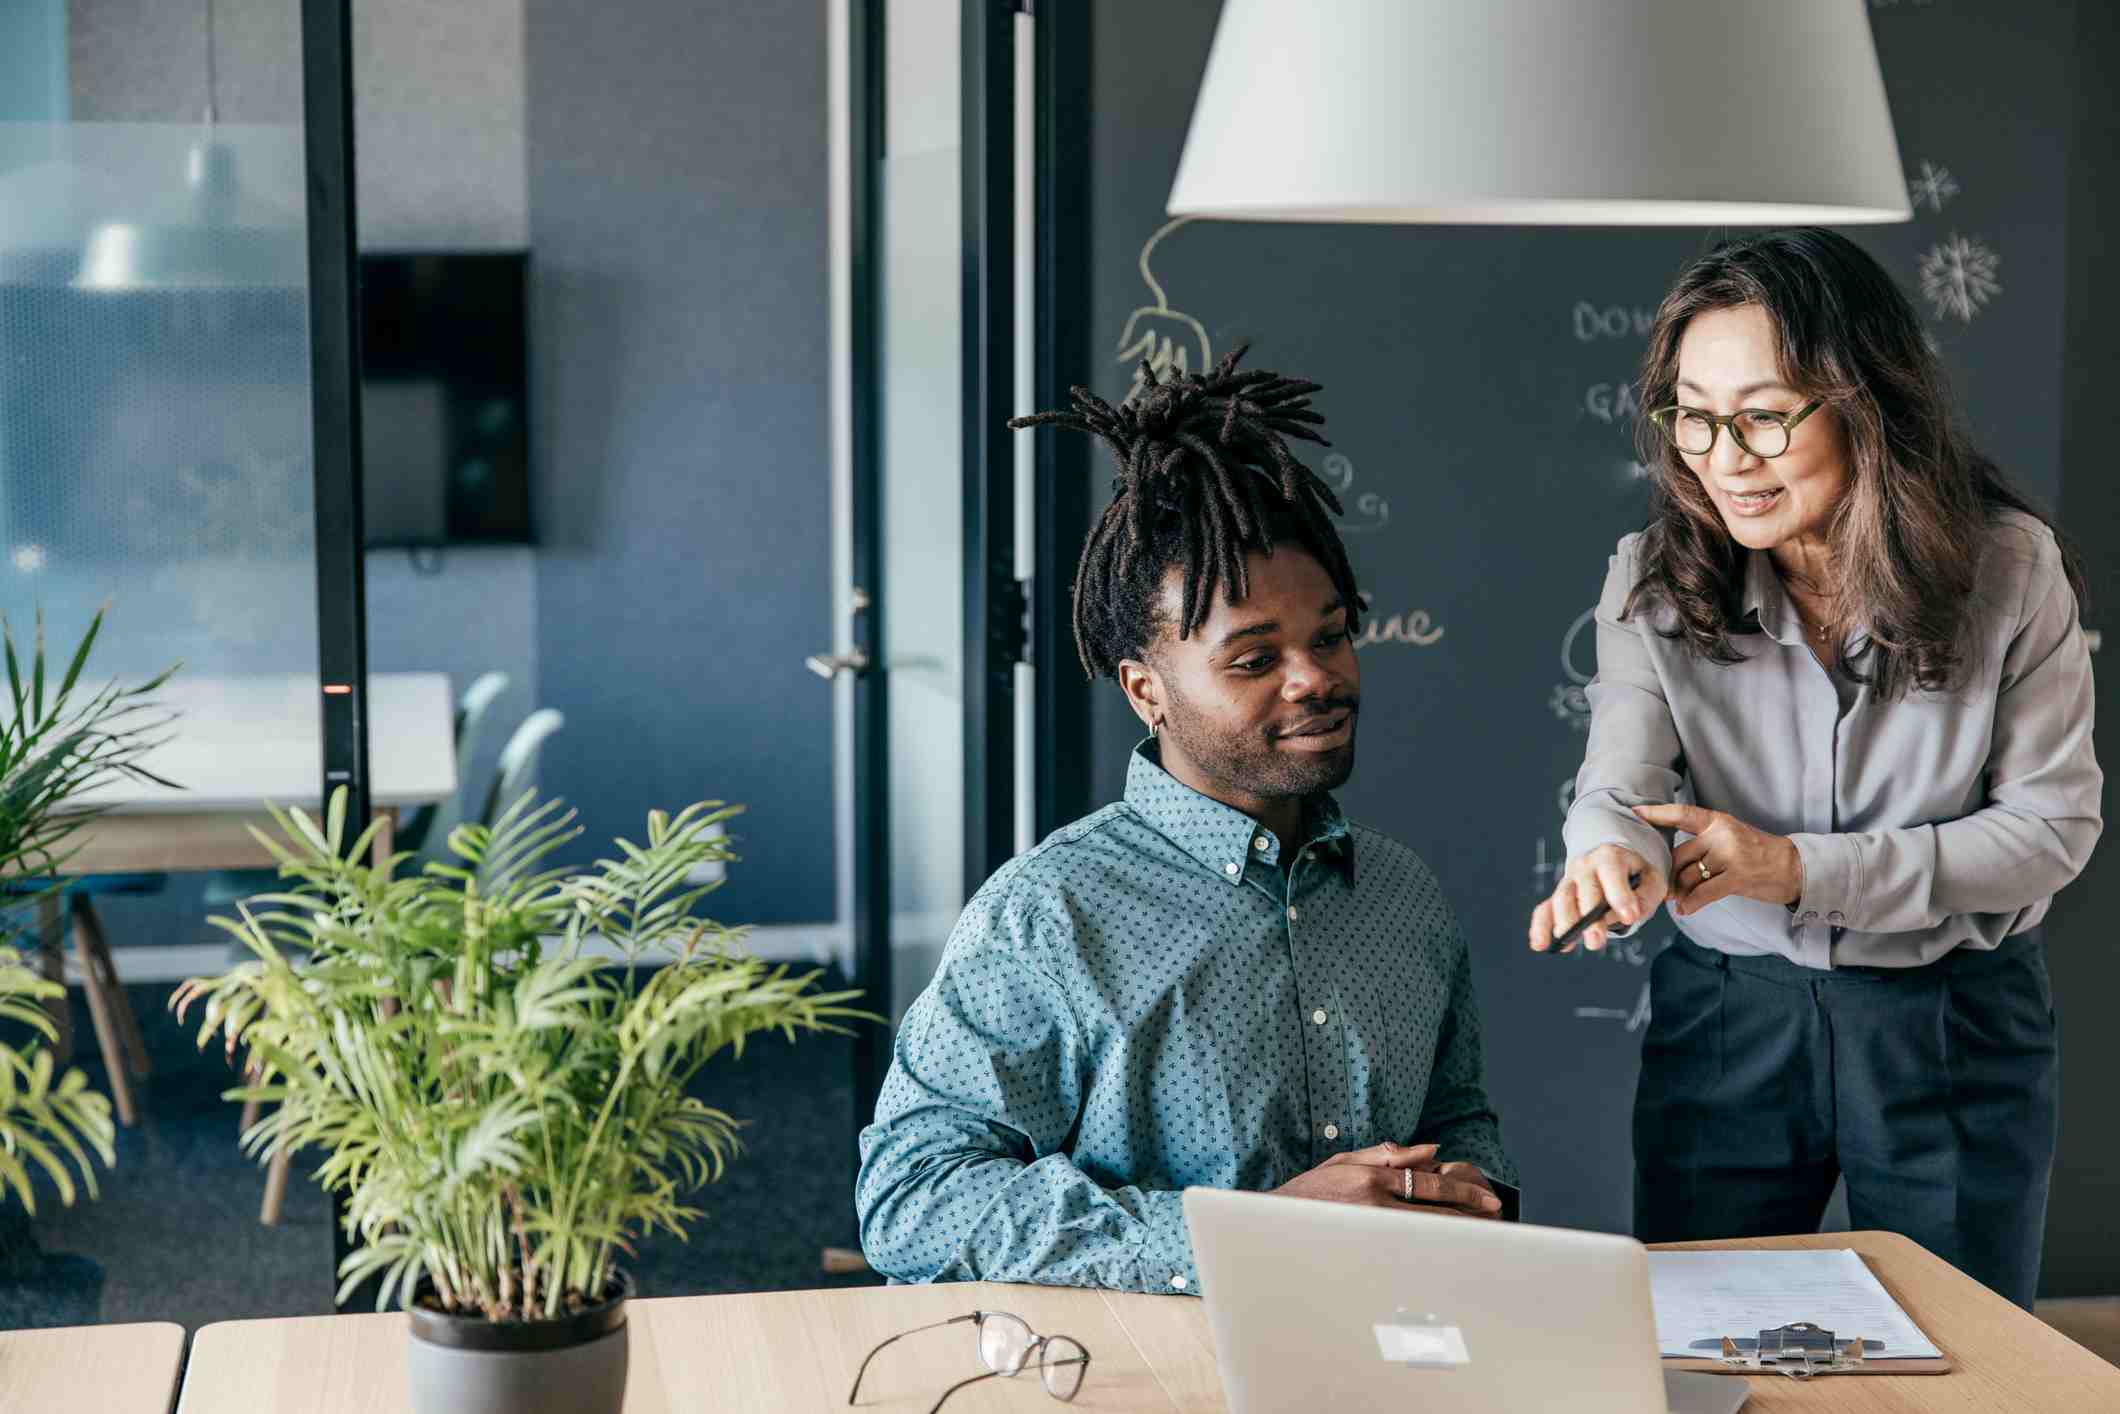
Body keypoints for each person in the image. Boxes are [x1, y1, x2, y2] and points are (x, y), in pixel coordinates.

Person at [857, 349, 1515, 1292]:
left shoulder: (1403, 893)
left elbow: (1460, 1119)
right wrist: (1253, 1237)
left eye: (1329, 636)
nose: (1316, 678)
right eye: (1254, 660)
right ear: (1147, 690)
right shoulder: (1047, 915)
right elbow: (914, 1198)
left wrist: (1479, 1193)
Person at [1530, 229, 2101, 1308]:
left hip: (1948, 1020)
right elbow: (1617, 779)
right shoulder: (1648, 578)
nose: (1724, 456)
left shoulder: (2011, 569)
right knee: (1701, 1346)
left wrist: (1796, 868)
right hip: (1727, 1016)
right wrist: (1608, 853)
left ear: (1864, 400)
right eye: (1692, 415)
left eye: (1761, 414)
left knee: (1962, 1356)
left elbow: (2046, 834)